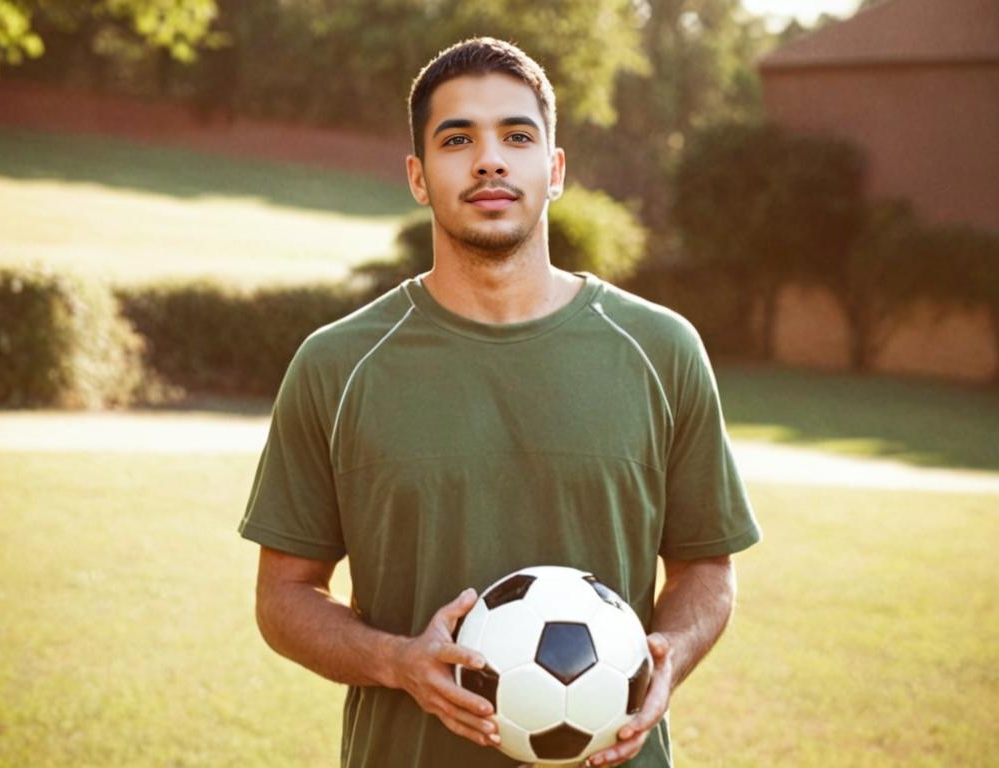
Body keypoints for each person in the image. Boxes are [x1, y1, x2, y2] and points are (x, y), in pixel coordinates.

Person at [238, 37, 760, 768]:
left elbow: (707, 569)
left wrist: (669, 653)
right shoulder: (338, 364)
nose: (490, 159)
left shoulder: (660, 349)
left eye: (517, 135)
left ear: (555, 168)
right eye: (458, 140)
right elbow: (284, 598)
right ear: (419, 178)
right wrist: (395, 661)